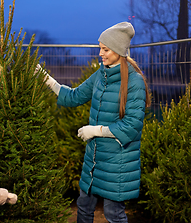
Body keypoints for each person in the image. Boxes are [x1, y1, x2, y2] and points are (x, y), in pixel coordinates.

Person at [36, 22, 150, 223]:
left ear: (118, 50)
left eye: (105, 49)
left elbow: (132, 126)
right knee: (84, 207)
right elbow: (75, 96)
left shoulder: (135, 82)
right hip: (95, 159)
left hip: (118, 162)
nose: (100, 53)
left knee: (113, 214)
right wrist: (47, 80)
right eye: (100, 48)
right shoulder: (101, 75)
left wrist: (96, 130)